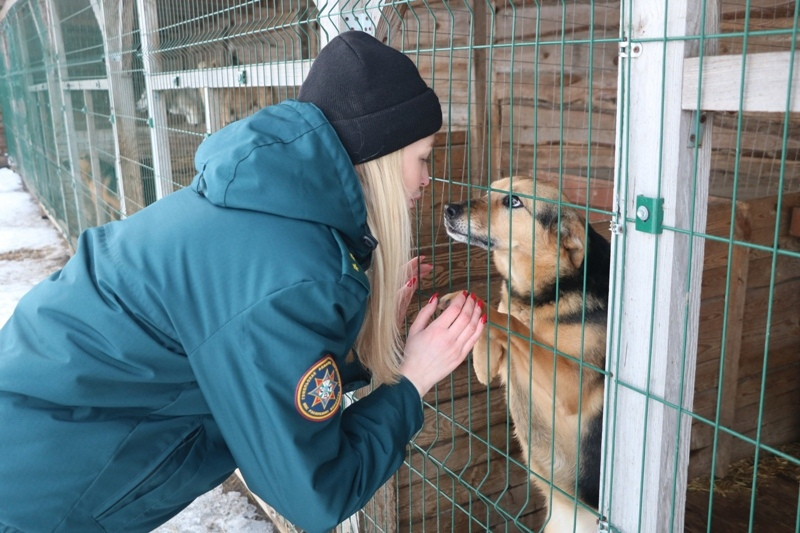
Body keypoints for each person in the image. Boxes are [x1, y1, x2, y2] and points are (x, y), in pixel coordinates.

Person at [0, 31, 485, 533]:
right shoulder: (296, 275)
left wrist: (355, 336)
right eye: (423, 158)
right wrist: (413, 380)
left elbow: (252, 358)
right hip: (34, 494)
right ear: (380, 158)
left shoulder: (265, 203)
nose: (429, 179)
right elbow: (313, 494)